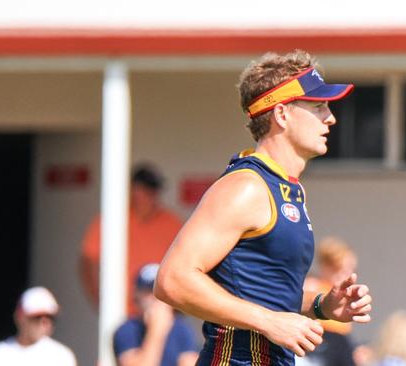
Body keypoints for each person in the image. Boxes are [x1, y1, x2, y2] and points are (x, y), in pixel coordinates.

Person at [154, 49, 373, 366]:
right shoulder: (246, 187)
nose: (331, 117)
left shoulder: (288, 190)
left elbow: (266, 295)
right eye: (318, 107)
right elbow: (172, 280)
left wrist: (324, 305)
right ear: (282, 115)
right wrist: (269, 321)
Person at [80, 164, 183, 315]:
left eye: (154, 190)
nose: (152, 195)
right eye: (146, 189)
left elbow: (183, 264)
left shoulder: (171, 222)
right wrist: (100, 301)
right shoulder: (112, 218)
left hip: (161, 310)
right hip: (123, 311)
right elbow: (88, 260)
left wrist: (178, 306)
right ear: (133, 190)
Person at [113, 263, 199, 366]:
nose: (155, 298)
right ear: (137, 295)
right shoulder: (127, 330)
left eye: (160, 292)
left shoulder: (182, 329)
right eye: (149, 291)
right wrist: (156, 330)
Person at [0, 287, 77, 366]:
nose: (45, 323)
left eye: (50, 317)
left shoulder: (61, 356)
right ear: (20, 317)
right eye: (37, 317)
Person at [301, 237, 358, 366]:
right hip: (320, 349)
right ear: (326, 266)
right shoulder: (312, 287)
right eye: (340, 269)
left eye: (351, 269)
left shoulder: (343, 295)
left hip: (339, 348)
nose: (347, 274)